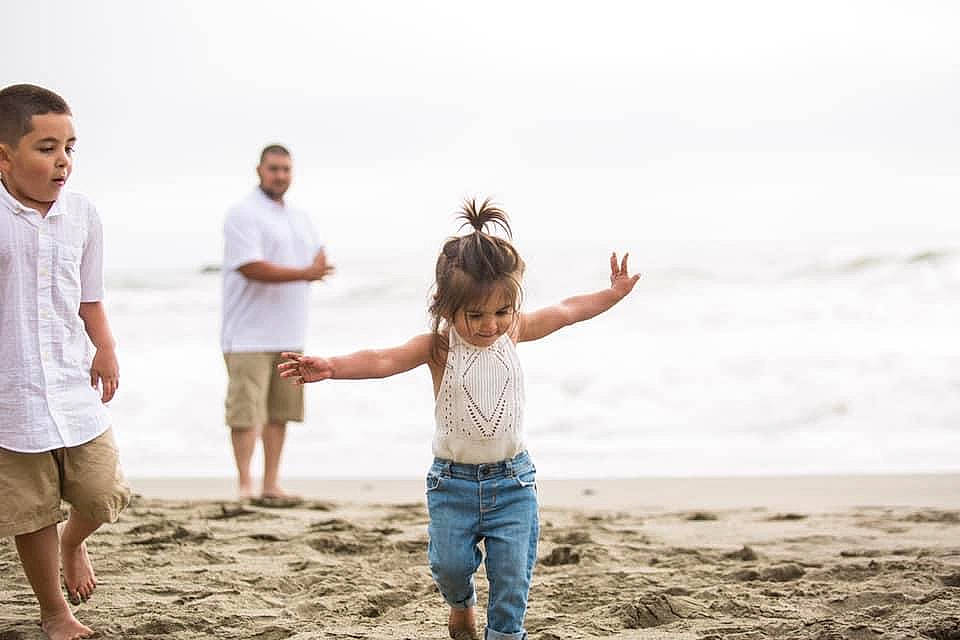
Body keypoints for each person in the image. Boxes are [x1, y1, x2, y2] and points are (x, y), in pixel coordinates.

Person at [278, 199, 640, 640]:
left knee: (511, 579)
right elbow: (383, 358)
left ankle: (504, 634)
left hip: (513, 482)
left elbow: (568, 311)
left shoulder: (515, 331)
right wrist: (332, 366)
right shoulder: (439, 346)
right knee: (448, 566)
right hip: (452, 484)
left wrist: (612, 294)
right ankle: (461, 603)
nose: (490, 326)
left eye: (501, 312)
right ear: (446, 308)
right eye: (476, 315)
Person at [0, 84, 131, 640]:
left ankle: (74, 542)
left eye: (70, 147)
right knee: (31, 512)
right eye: (46, 147)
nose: (63, 161)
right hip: (11, 392)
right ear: (4, 155)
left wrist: (106, 347)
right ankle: (56, 613)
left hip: (72, 381)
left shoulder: (82, 213)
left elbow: (89, 294)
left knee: (103, 493)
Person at [221, 144, 333, 504]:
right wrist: (306, 272)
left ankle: (270, 484)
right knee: (246, 413)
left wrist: (313, 268)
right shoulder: (243, 213)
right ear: (260, 170)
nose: (280, 175)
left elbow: (319, 257)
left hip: (289, 331)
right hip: (246, 334)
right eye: (274, 169)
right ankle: (244, 486)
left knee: (279, 413)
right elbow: (250, 266)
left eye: (286, 169)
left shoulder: (300, 217)